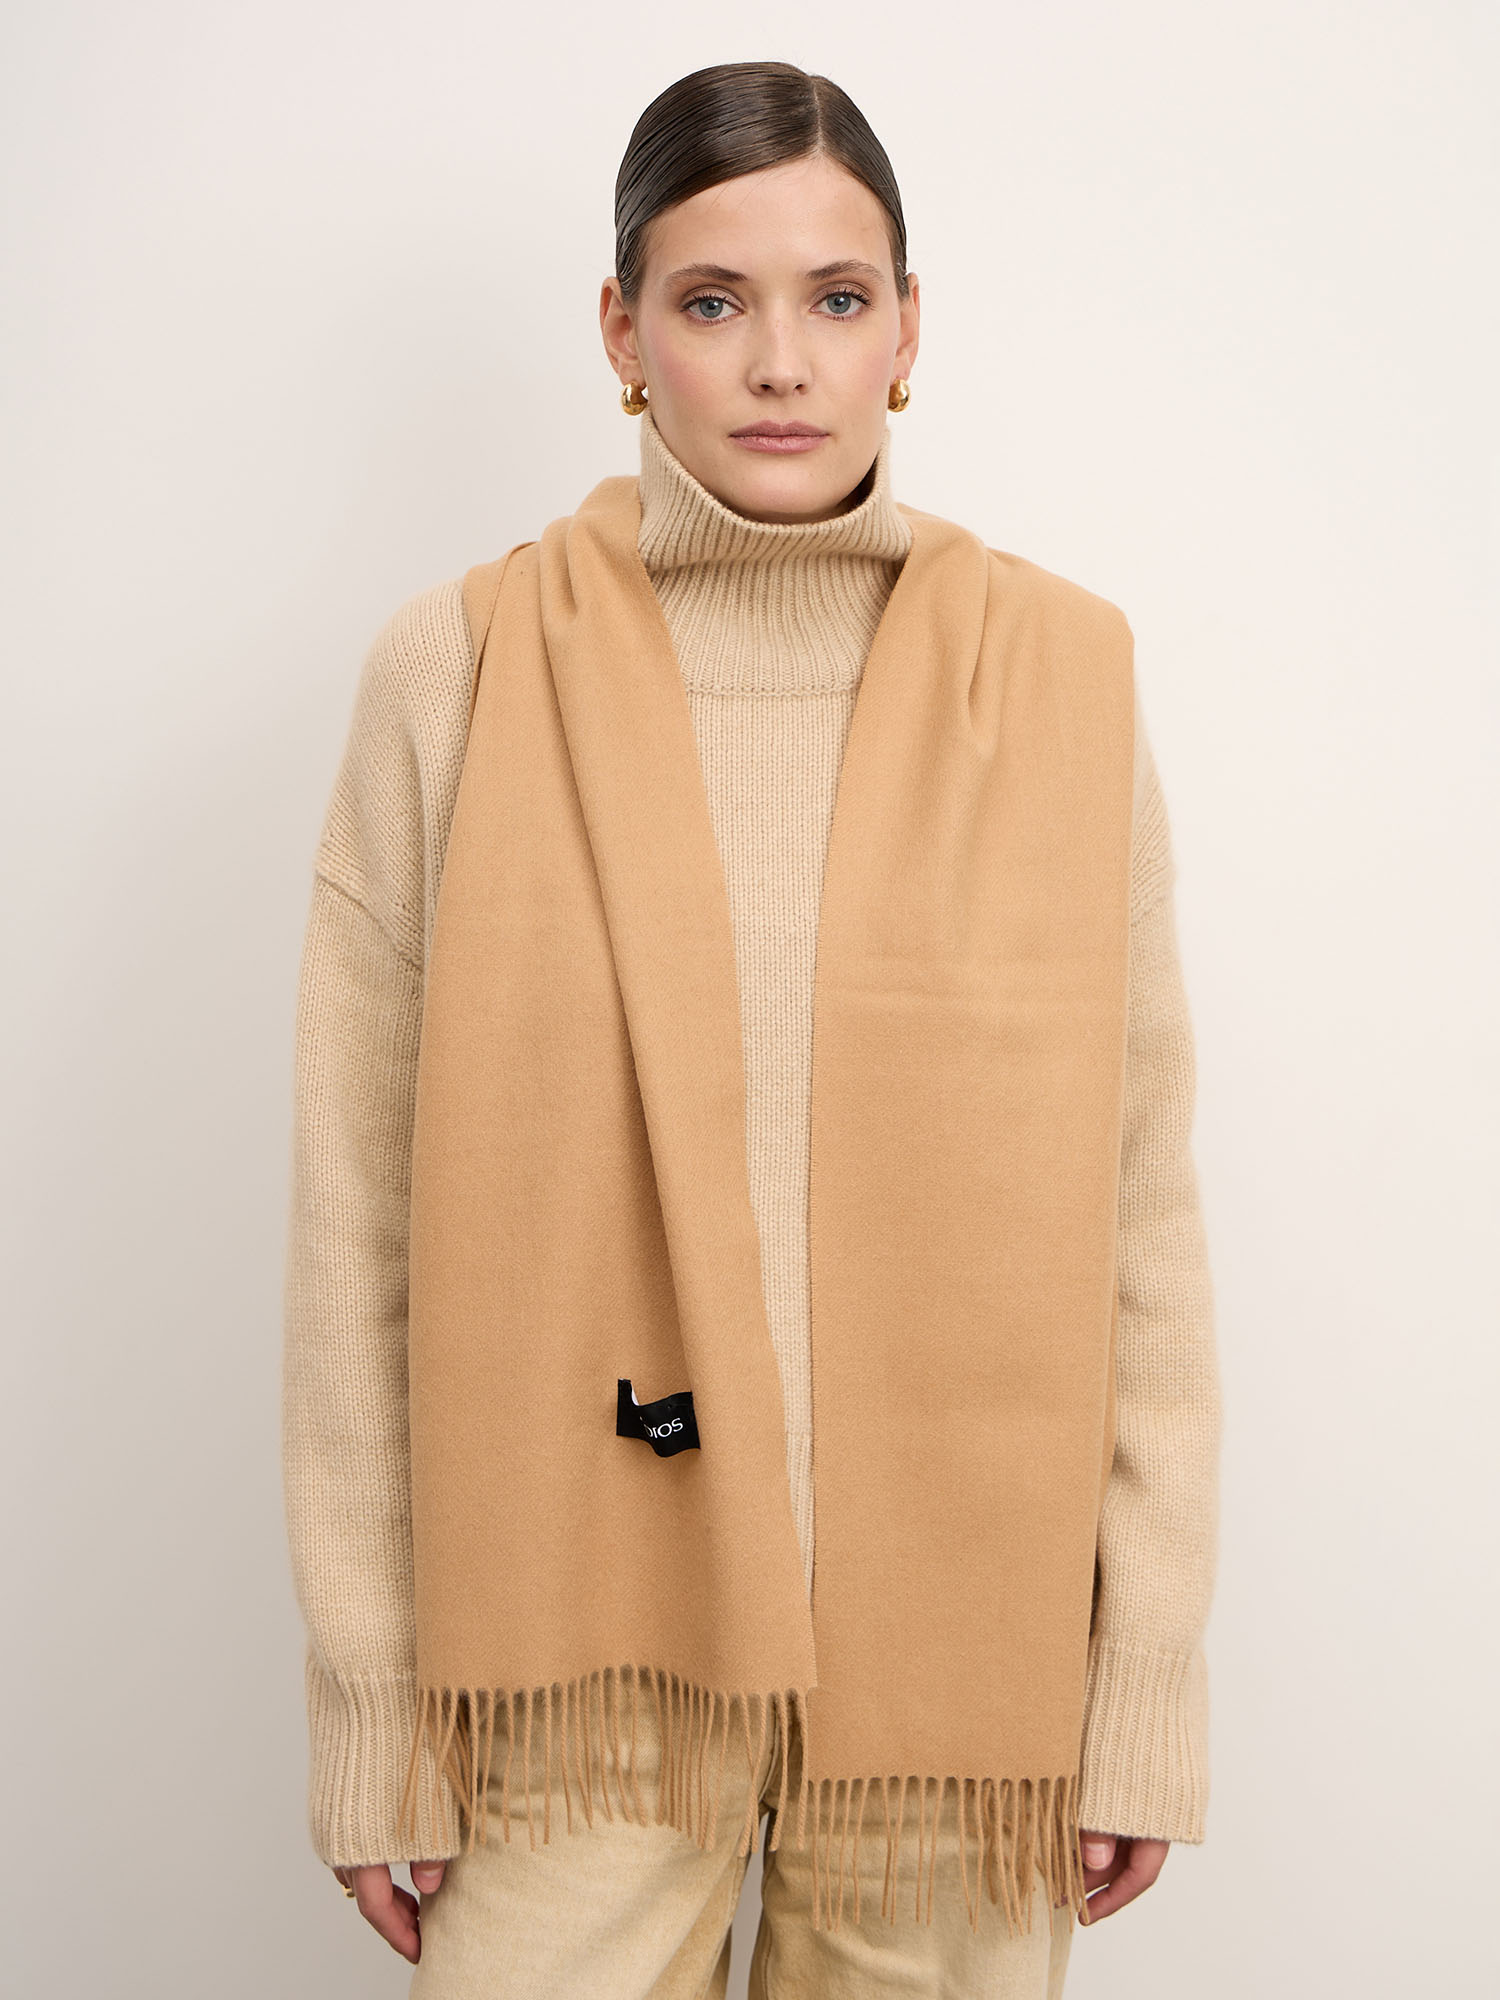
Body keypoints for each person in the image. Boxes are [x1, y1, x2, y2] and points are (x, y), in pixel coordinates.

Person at [280, 59, 1221, 1999]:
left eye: (836, 298)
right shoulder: (460, 670)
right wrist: (373, 1701)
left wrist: (1141, 1679)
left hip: (959, 1682)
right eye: (713, 301)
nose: (781, 361)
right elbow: (357, 1230)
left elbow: (1138, 1223)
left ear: (907, 331)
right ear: (623, 334)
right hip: (573, 1673)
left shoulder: (1062, 680)